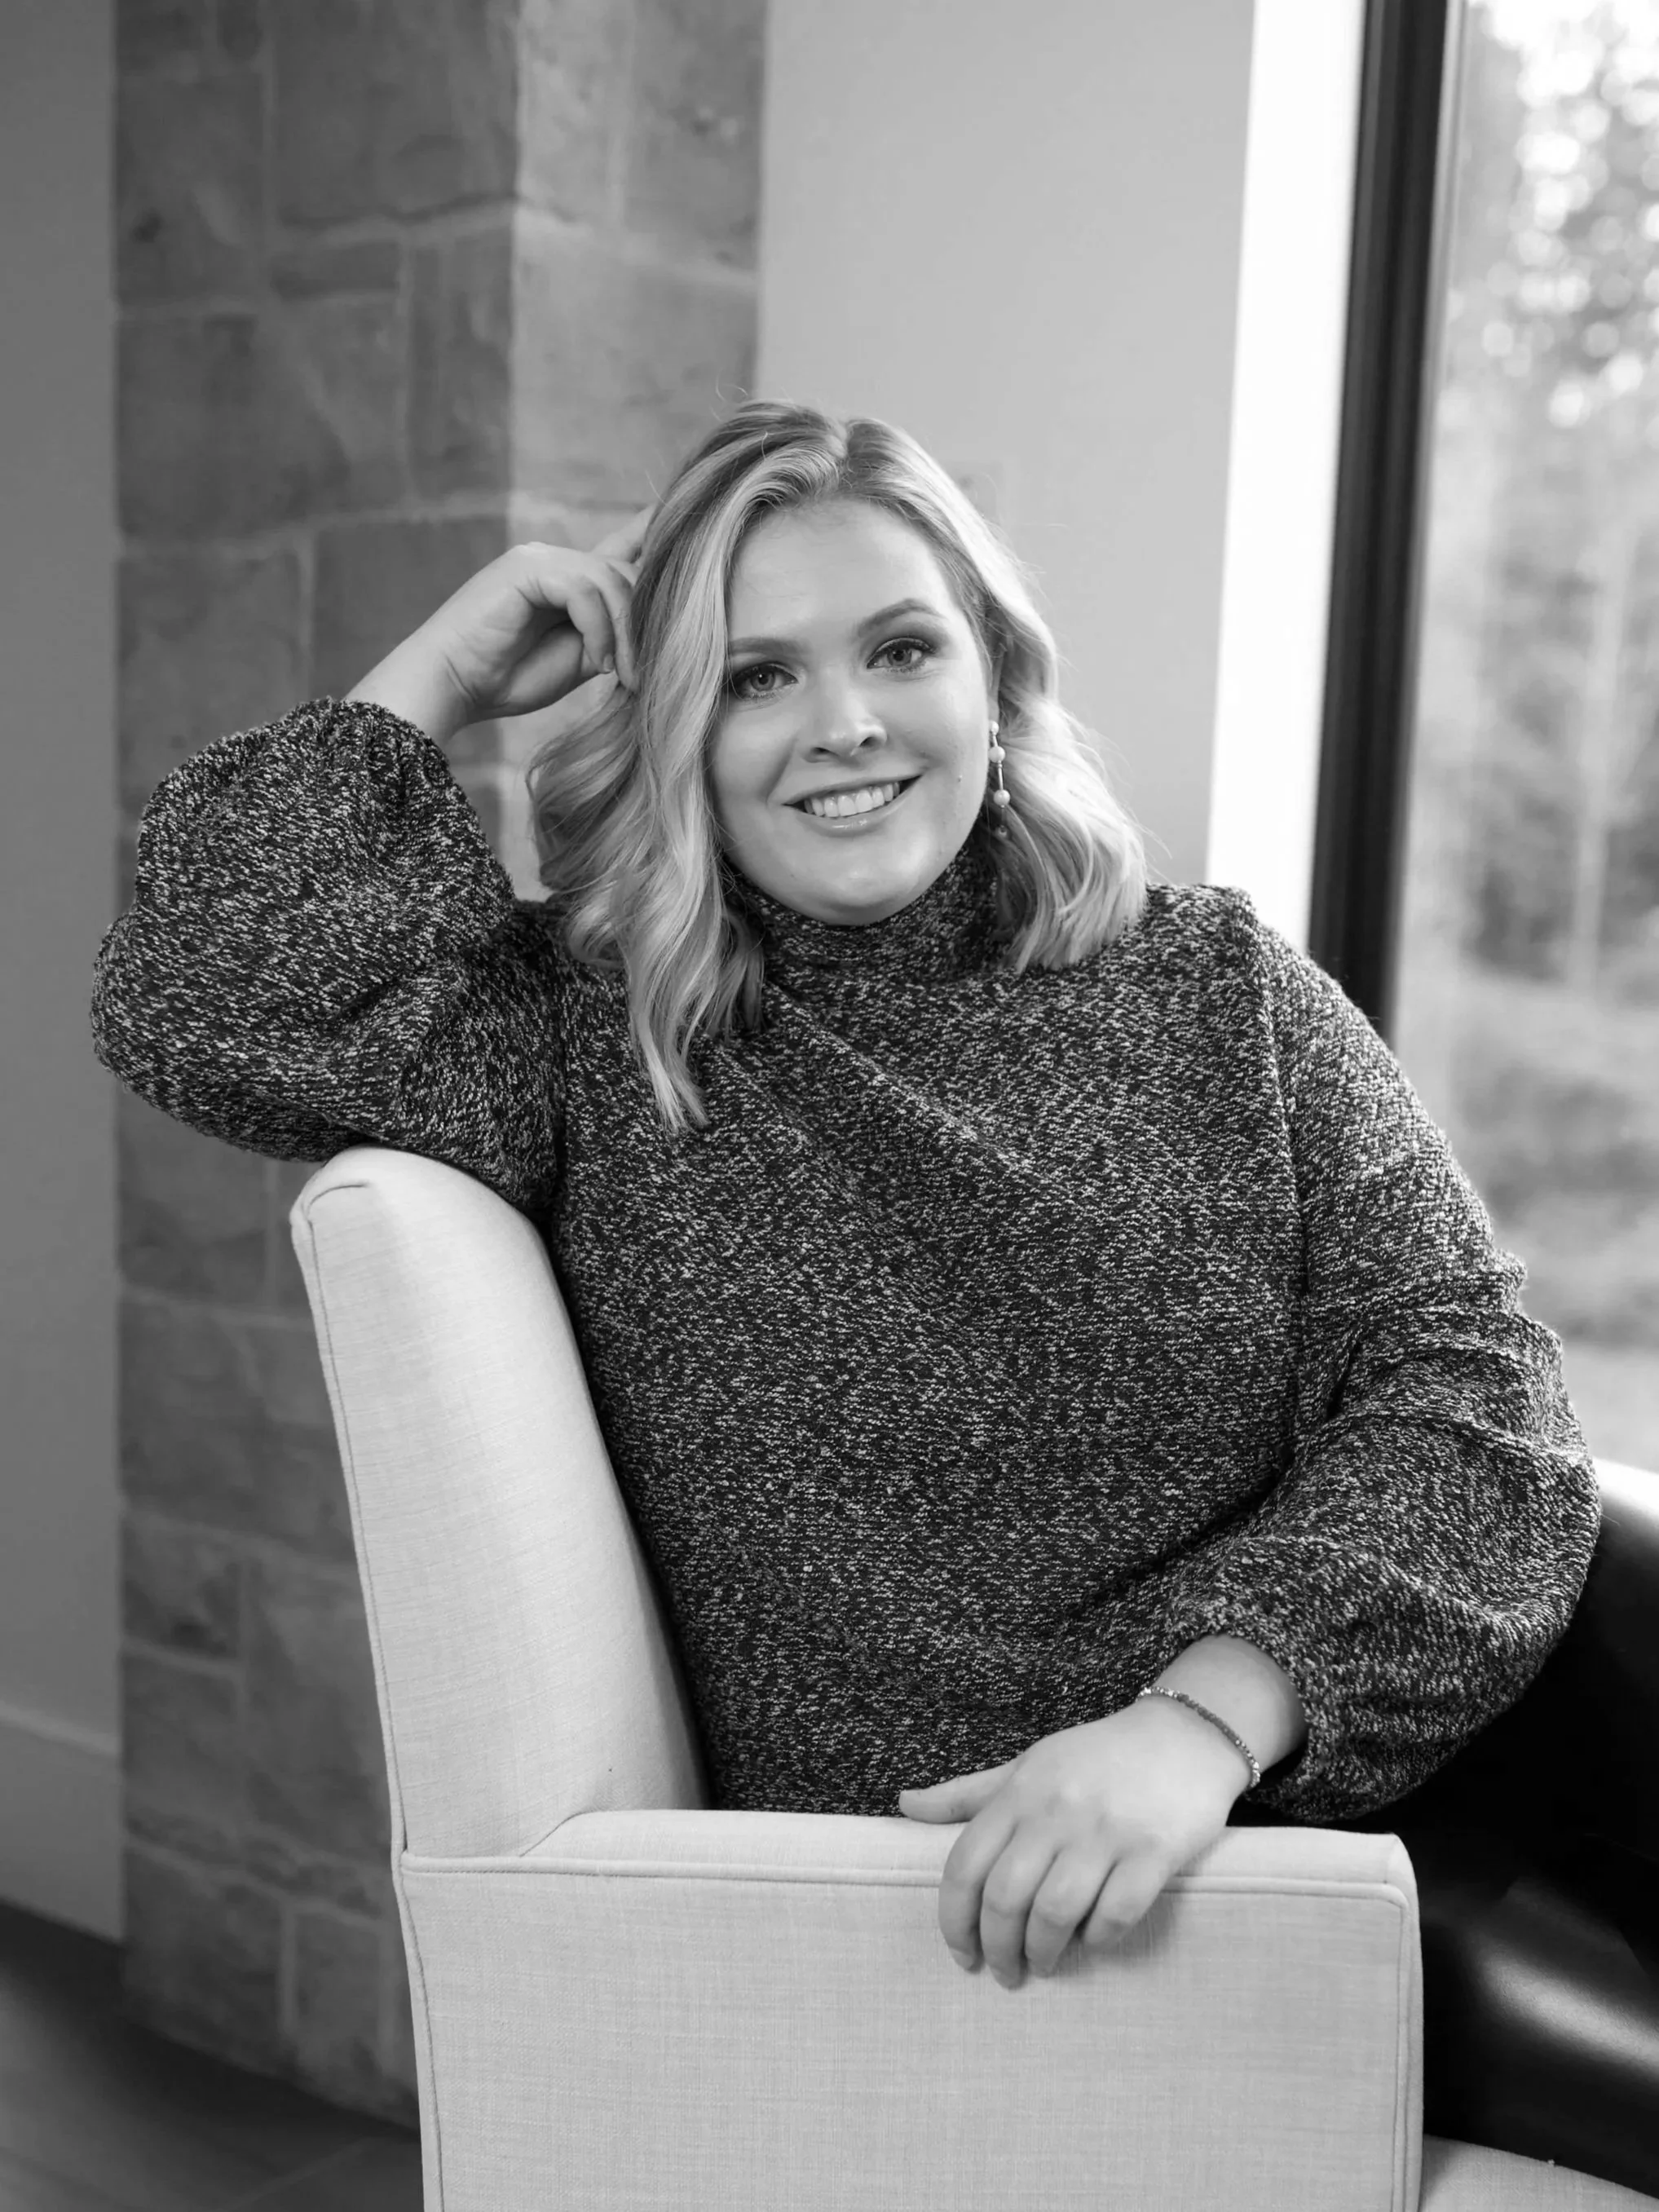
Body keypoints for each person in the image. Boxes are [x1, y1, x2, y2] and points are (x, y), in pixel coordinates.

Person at [90, 400, 1655, 2193]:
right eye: (754, 676)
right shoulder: (591, 1043)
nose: (843, 722)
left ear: (993, 678)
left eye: (900, 648)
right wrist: (446, 669)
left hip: (1367, 1733)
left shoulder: (1220, 983)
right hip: (1157, 1895)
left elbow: (1476, 1387)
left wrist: (1199, 1721)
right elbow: (197, 998)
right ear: (677, 732)